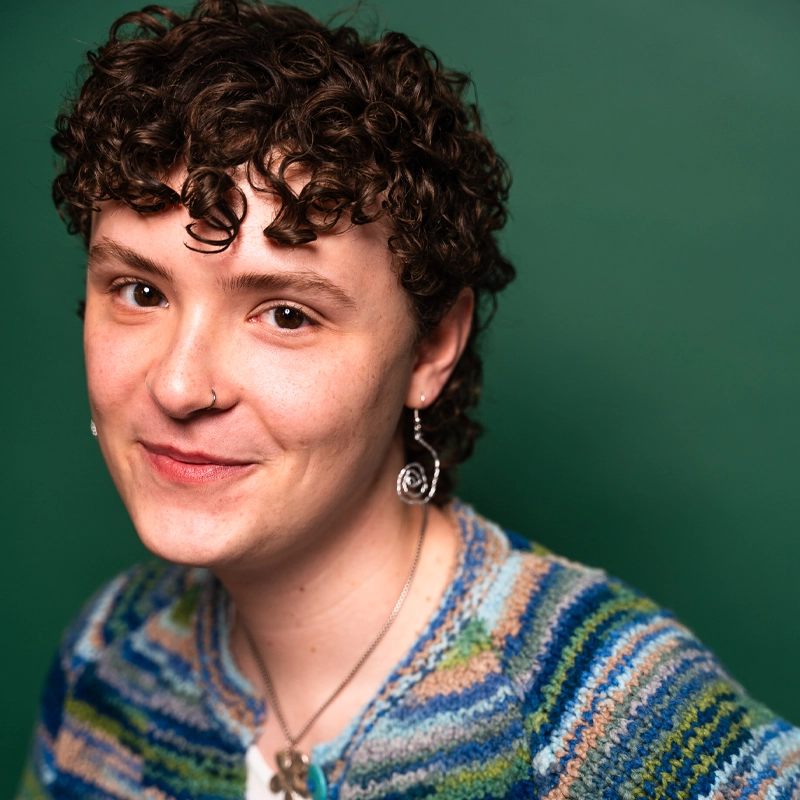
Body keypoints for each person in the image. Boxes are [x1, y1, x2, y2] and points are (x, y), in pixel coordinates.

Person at [18, 2, 800, 798]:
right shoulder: (109, 658)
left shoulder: (604, 713)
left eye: (287, 313)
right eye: (140, 291)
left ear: (431, 348)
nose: (178, 386)